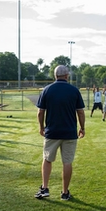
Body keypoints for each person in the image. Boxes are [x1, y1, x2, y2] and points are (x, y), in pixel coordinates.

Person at [35, 65, 85, 201]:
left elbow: (40, 112)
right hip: (69, 132)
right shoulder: (74, 90)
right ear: (67, 76)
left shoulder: (47, 90)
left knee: (47, 159)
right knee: (67, 162)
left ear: (55, 75)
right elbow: (80, 111)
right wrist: (82, 127)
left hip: (52, 131)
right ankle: (64, 192)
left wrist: (41, 127)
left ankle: (45, 188)